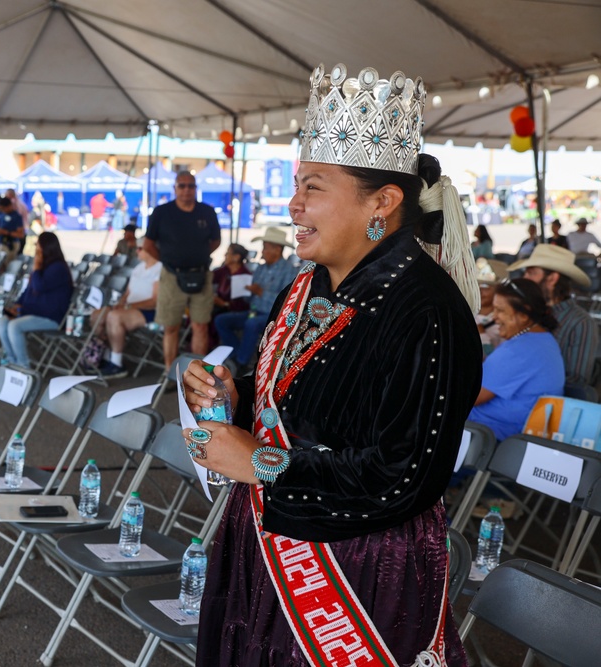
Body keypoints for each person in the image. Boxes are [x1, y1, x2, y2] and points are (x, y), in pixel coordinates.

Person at [183, 63, 482, 666]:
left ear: (384, 201)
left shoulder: (425, 308)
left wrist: (259, 460)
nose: (293, 206)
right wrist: (236, 395)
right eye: (298, 186)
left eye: (314, 187)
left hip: (355, 574)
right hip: (269, 540)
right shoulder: (308, 285)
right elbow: (300, 390)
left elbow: (402, 476)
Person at [468, 278, 564, 440]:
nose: (495, 317)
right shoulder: (543, 339)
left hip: (491, 436)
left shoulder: (518, 350)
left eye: (500, 310)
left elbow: (471, 398)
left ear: (523, 314)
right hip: (499, 431)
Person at [143, 171, 221, 368]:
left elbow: (216, 241)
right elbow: (148, 244)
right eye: (182, 185)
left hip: (201, 273)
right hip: (171, 275)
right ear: (175, 188)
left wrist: (199, 255)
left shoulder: (207, 212)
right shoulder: (161, 212)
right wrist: (169, 261)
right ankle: (170, 370)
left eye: (191, 186)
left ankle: (197, 374)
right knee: (171, 326)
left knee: (200, 325)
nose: (187, 190)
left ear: (196, 188)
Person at [510, 244, 597, 385]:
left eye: (531, 273)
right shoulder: (528, 313)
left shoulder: (581, 323)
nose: (525, 278)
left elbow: (576, 380)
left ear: (552, 279)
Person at [214, 228, 299, 370]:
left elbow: (286, 302)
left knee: (251, 324)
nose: (262, 252)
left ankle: (241, 362)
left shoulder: (289, 271)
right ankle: (237, 355)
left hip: (274, 317)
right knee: (221, 320)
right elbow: (250, 300)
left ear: (277, 249)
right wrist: (246, 291)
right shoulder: (261, 268)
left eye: (265, 248)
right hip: (254, 311)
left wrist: (260, 292)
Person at [0, 232, 73, 367]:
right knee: (2, 322)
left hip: (50, 317)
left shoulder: (58, 268)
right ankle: (11, 360)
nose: (36, 249)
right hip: (30, 312)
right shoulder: (42, 266)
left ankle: (23, 365)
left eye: (38, 245)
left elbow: (39, 286)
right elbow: (28, 290)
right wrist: (17, 305)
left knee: (14, 326)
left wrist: (36, 267)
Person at [92, 244, 162, 379]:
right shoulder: (138, 268)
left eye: (141, 248)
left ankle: (116, 363)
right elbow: (127, 293)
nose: (137, 251)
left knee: (114, 317)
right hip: (129, 307)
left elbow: (154, 301)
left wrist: (128, 306)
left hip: (148, 311)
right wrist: (120, 304)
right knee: (98, 315)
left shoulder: (160, 269)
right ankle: (106, 355)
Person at [474, 257, 509, 356]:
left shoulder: (504, 321)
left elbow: (500, 357)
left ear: (499, 290)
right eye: (476, 285)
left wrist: (482, 334)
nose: (479, 291)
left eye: (485, 287)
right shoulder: (467, 313)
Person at [211, 243, 252, 316]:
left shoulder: (244, 275)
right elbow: (210, 277)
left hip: (234, 311)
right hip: (218, 307)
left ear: (236, 257)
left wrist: (224, 304)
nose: (225, 255)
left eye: (228, 253)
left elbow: (242, 303)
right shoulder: (225, 270)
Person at [0, 196, 24, 262]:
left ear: (9, 206)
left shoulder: (16, 216)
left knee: (8, 264)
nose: (3, 210)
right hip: (1, 243)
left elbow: (21, 234)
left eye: (4, 208)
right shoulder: (2, 214)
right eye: (2, 209)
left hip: (12, 244)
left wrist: (6, 232)